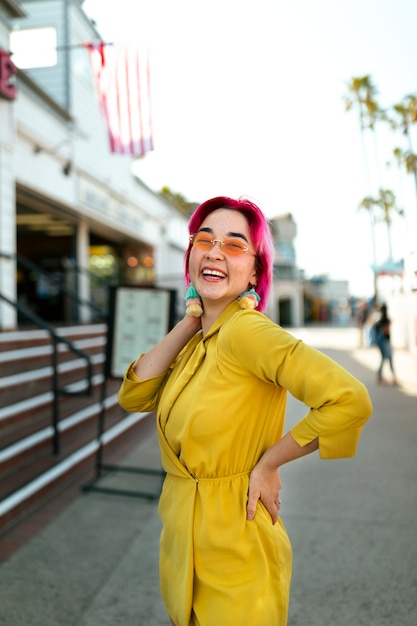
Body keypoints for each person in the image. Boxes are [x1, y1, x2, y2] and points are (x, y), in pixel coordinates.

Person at [118, 196, 373, 626]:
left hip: (238, 545)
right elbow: (135, 395)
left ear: (255, 270)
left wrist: (271, 462)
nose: (216, 251)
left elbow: (348, 399)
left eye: (235, 245)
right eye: (205, 240)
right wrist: (190, 320)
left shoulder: (247, 331)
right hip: (187, 548)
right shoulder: (202, 337)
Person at [375, 303, 398, 385]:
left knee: (384, 359)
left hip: (382, 342)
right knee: (389, 359)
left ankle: (380, 376)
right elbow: (386, 331)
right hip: (385, 341)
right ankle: (393, 377)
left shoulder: (379, 320)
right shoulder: (385, 320)